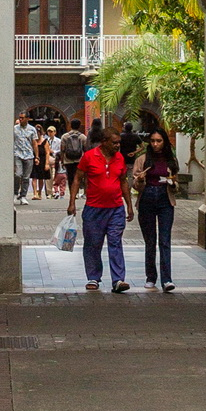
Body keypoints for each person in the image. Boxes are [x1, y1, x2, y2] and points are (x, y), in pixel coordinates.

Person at [76, 122, 129, 294]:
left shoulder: (120, 158)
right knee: (93, 243)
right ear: (104, 142)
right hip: (94, 208)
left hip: (116, 208)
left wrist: (129, 205)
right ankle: (93, 277)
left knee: (115, 241)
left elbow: (123, 181)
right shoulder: (89, 157)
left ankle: (118, 279)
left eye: (119, 143)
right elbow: (77, 178)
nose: (117, 146)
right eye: (114, 143)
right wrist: (71, 202)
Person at [133, 123, 180, 292]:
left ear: (164, 142)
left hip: (165, 199)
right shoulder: (142, 159)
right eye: (152, 141)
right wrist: (140, 179)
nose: (155, 144)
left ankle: (167, 279)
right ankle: (151, 277)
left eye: (158, 141)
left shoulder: (171, 160)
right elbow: (135, 185)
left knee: (165, 240)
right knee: (150, 241)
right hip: (147, 198)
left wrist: (172, 183)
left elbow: (176, 184)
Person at [60, 118, 87, 211]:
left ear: (71, 125)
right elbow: (85, 149)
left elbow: (62, 149)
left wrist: (62, 160)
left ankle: (72, 193)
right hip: (79, 160)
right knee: (78, 177)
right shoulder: (83, 137)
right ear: (79, 126)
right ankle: (77, 192)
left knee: (70, 177)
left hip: (68, 160)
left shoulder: (65, 136)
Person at [12, 115, 36, 204]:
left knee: (26, 177)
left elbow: (34, 143)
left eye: (22, 118)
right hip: (17, 154)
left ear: (27, 119)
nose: (20, 119)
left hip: (28, 154)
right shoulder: (14, 129)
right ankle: (15, 193)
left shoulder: (32, 129)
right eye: (20, 117)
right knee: (18, 174)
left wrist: (37, 156)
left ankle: (23, 196)